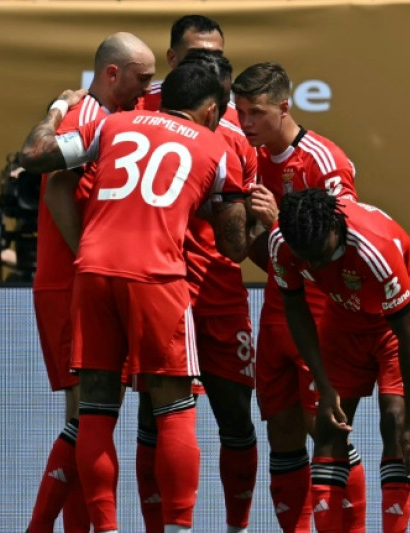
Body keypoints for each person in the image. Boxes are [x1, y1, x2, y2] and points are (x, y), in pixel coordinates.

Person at [18, 63, 251, 533]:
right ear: (210, 111)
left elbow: (37, 155)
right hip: (157, 277)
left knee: (97, 410)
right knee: (174, 409)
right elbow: (234, 245)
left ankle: (106, 528)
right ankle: (180, 528)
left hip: (94, 270)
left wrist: (57, 109)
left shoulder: (110, 125)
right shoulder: (215, 145)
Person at [24, 31, 155, 533]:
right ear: (112, 73)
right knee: (88, 418)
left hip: (74, 281)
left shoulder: (100, 117)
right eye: (140, 80)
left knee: (90, 418)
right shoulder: (91, 119)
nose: (146, 91)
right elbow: (58, 189)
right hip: (73, 283)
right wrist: (90, 260)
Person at [135, 47, 264, 533]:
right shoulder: (138, 121)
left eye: (216, 57)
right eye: (196, 56)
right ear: (174, 61)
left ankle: (237, 527)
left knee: (235, 419)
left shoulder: (235, 139)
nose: (208, 66)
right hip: (162, 289)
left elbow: (239, 240)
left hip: (220, 295)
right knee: (156, 418)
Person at [233, 61, 362, 533]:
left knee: (327, 433)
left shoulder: (324, 162)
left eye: (256, 113)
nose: (246, 123)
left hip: (320, 317)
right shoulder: (248, 157)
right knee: (281, 435)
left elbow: (339, 256)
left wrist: (274, 225)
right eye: (241, 112)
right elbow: (271, 260)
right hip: (275, 312)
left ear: (285, 107)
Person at [266, 189, 410, 533]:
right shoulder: (282, 242)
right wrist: (324, 387)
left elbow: (408, 336)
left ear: (335, 229)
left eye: (320, 256)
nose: (313, 266)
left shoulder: (375, 249)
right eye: (305, 258)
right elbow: (296, 310)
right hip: (344, 312)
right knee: (328, 425)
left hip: (400, 316)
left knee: (395, 420)